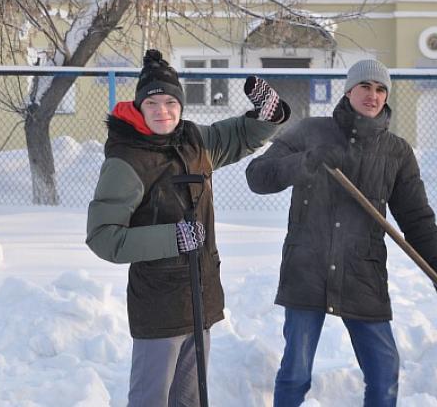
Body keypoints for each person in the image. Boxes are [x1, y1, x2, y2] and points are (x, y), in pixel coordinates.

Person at [245, 59, 437, 407]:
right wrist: (307, 161)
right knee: (295, 373)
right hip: (307, 267)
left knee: (384, 373)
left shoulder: (396, 152)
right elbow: (257, 176)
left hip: (363, 271)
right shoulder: (309, 132)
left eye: (380, 89)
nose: (373, 95)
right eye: (365, 86)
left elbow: (417, 219)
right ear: (349, 91)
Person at [86, 49, 290, 406]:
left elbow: (241, 135)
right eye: (153, 103)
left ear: (181, 105)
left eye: (170, 102)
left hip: (200, 297)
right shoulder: (127, 160)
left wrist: (269, 115)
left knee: (190, 400)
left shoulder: (193, 140)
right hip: (159, 304)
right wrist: (172, 238)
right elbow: (104, 238)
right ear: (139, 107)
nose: (162, 111)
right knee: (151, 400)